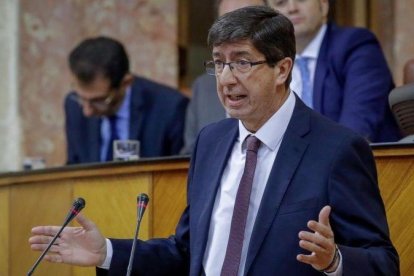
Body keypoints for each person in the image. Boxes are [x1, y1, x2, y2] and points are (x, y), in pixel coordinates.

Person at [29, 6, 399, 275]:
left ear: (282, 69)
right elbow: (186, 252)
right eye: (219, 63)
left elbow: (383, 262)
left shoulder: (336, 149)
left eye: (241, 62)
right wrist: (107, 252)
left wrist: (335, 261)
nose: (225, 79)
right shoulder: (211, 141)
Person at [268, 0, 401, 143]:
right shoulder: (268, 62)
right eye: (281, 3)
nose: (292, 8)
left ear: (323, 5)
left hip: (365, 162)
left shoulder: (355, 45)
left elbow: (356, 130)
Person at [65, 36, 188, 164]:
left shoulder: (170, 108)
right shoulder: (73, 105)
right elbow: (74, 167)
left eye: (99, 100)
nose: (87, 111)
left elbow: (178, 176)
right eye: (81, 98)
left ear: (126, 83)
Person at [181, 0, 267, 155]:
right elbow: (189, 158)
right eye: (227, 23)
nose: (227, 79)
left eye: (246, 24)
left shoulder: (288, 80)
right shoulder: (203, 87)